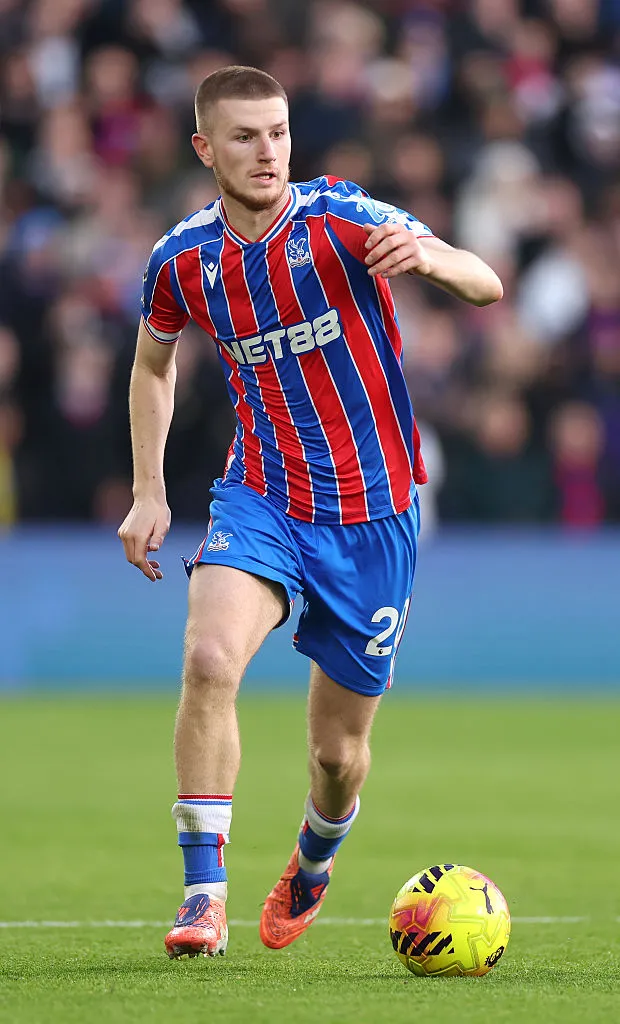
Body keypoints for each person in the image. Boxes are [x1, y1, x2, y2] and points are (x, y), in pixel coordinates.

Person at [118, 65, 503, 960]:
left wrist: (432, 258)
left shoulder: (341, 217)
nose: (268, 152)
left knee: (337, 757)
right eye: (245, 136)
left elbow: (484, 281)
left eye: (279, 132)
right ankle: (203, 896)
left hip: (374, 513)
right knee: (209, 658)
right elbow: (151, 365)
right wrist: (148, 489)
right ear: (205, 148)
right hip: (261, 495)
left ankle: (316, 855)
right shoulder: (182, 260)